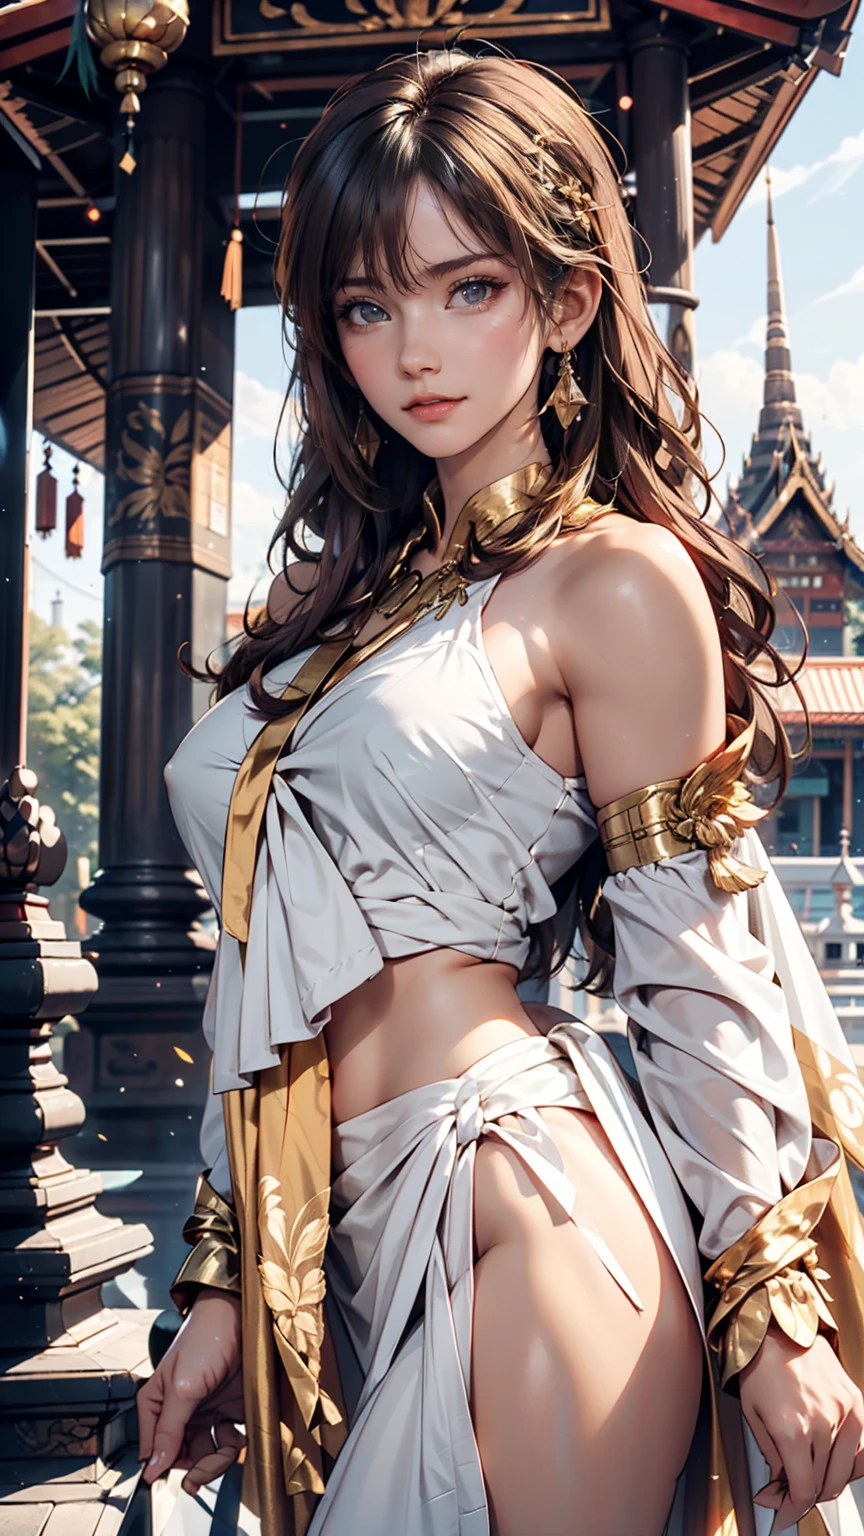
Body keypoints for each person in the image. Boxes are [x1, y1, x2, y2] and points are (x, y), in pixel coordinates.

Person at [137, 48, 864, 1536]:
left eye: (469, 288)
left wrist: (776, 1313)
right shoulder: (332, 614)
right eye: (366, 303)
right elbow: (257, 962)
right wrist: (220, 1278)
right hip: (337, 1238)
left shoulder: (612, 584)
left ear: (570, 299)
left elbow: (695, 958)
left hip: (525, 1215)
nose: (417, 349)